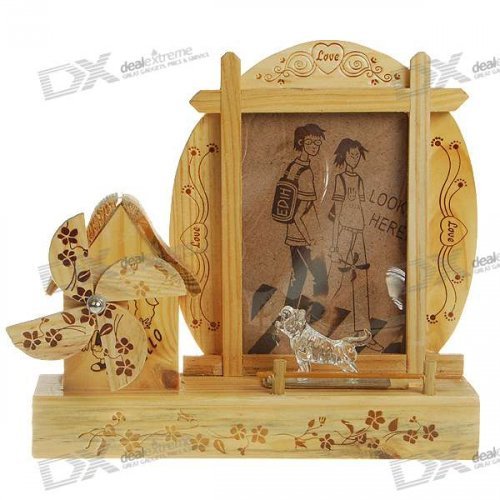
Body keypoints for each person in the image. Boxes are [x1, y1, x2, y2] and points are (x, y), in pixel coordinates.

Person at [283, 123, 328, 308]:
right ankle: (310, 317)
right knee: (320, 279)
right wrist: (311, 239)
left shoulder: (292, 166)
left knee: (298, 279)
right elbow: (299, 214)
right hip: (303, 236)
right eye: (310, 142)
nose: (314, 147)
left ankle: (287, 316)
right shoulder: (305, 172)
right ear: (301, 143)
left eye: (317, 143)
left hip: (295, 234)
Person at [329, 138, 371, 332]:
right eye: (351, 155)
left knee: (360, 280)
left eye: (357, 155)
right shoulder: (340, 179)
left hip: (359, 233)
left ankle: (362, 330)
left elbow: (361, 207)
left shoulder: (359, 179)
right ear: (344, 155)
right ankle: (321, 324)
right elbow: (337, 214)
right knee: (336, 279)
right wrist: (334, 246)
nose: (355, 158)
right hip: (344, 233)